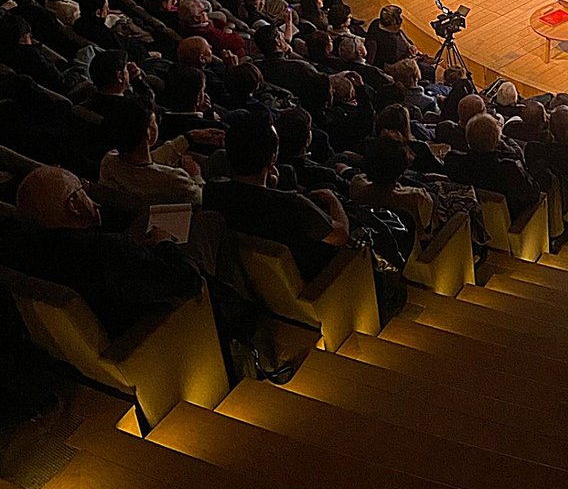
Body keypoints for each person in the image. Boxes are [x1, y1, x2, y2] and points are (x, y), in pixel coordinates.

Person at [12, 165, 204, 339]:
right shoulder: (105, 251)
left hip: (96, 337)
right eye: (83, 191)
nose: (94, 202)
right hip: (150, 334)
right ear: (74, 205)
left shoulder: (29, 252)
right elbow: (187, 281)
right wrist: (164, 242)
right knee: (209, 222)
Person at [202, 114, 350, 281]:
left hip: (247, 288)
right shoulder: (293, 206)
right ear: (273, 157)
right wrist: (333, 201)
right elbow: (340, 235)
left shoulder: (213, 192)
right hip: (306, 293)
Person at [98, 96, 205, 207]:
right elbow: (199, 197)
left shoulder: (108, 163)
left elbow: (143, 166)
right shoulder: (174, 179)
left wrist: (187, 138)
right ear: (149, 132)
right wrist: (196, 175)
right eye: (154, 122)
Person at [444, 112, 543, 219]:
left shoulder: (452, 161)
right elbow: (533, 195)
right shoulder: (509, 169)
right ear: (497, 141)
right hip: (510, 220)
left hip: (475, 219)